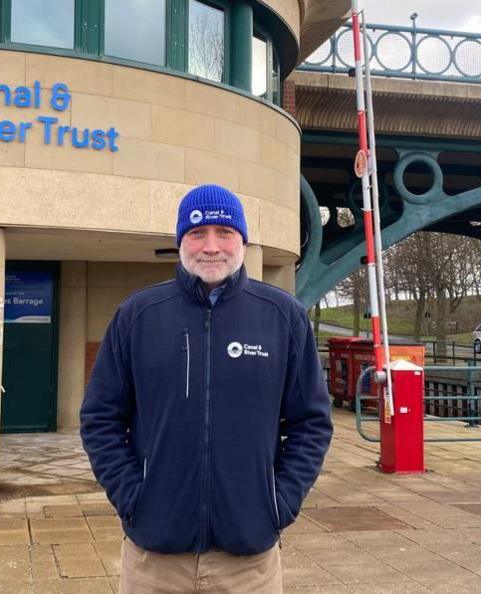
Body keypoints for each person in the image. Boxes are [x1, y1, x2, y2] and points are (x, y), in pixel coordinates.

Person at [80, 183, 333, 593]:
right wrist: (133, 498)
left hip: (249, 563)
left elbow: (311, 424)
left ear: (242, 240)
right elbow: (100, 418)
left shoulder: (283, 317)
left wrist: (278, 502)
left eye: (224, 233)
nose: (211, 246)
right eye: (197, 233)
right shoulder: (138, 314)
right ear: (181, 240)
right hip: (154, 560)